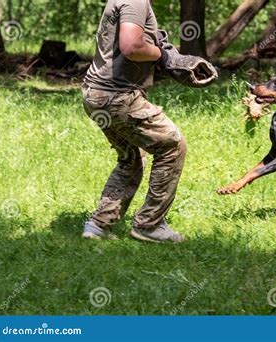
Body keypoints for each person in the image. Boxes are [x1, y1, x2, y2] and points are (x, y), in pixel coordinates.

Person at [81, 0, 186, 243]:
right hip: (118, 97)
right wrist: (164, 55)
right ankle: (150, 224)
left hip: (95, 95)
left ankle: (98, 226)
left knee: (132, 156)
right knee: (172, 145)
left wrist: (159, 44)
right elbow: (131, 47)